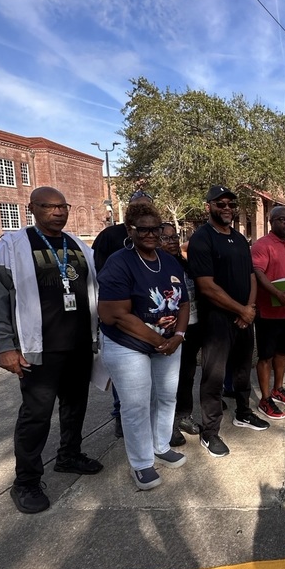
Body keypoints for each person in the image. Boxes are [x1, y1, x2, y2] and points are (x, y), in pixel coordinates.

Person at [0, 186, 103, 514]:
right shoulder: (14, 243)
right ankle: (26, 481)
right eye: (49, 207)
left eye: (63, 206)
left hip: (77, 344)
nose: (58, 212)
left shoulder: (78, 244)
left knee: (76, 406)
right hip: (39, 349)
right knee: (36, 415)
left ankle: (69, 455)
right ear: (31, 208)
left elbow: (95, 290)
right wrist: (5, 346)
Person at [97, 201, 189, 490]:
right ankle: (141, 463)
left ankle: (161, 445)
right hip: (128, 346)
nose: (151, 235)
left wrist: (179, 336)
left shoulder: (170, 260)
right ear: (130, 230)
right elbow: (114, 314)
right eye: (143, 229)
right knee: (135, 406)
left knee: (166, 397)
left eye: (156, 230)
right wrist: (159, 340)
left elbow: (184, 302)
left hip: (168, 343)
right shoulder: (119, 262)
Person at [186, 186, 268, 458]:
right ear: (208, 206)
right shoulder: (202, 238)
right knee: (214, 377)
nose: (227, 209)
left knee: (244, 370)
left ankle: (243, 413)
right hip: (216, 321)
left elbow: (252, 277)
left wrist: (250, 309)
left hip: (245, 318)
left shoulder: (240, 239)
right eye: (221, 204)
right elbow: (206, 286)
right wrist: (240, 310)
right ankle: (210, 433)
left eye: (231, 204)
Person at [92, 189, 155, 438]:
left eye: (146, 206)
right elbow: (98, 273)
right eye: (137, 207)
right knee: (125, 377)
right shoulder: (110, 236)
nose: (142, 211)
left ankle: (148, 418)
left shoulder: (153, 235)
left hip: (151, 316)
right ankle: (121, 416)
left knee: (150, 376)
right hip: (122, 317)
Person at [250, 205, 285, 419]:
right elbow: (257, 273)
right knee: (266, 356)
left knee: (282, 353)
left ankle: (278, 389)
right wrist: (277, 294)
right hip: (267, 313)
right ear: (271, 221)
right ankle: (265, 398)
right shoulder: (262, 246)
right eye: (281, 219)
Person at [158, 223, 203, 447]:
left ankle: (184, 416)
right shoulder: (157, 266)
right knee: (169, 381)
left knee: (187, 375)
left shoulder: (185, 264)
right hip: (171, 331)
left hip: (192, 326)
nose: (173, 241)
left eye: (174, 237)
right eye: (166, 238)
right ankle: (168, 426)